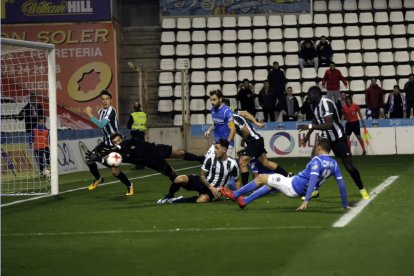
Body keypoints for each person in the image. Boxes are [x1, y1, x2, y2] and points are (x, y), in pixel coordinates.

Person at [220, 138, 349, 210]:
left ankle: (235, 194)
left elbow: (314, 179)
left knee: (260, 178)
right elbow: (342, 186)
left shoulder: (317, 160)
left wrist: (306, 201)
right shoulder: (334, 163)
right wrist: (344, 204)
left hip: (293, 186)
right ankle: (245, 201)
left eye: (316, 146)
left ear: (319, 148)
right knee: (270, 185)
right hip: (296, 184)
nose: (315, 148)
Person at [297, 86, 370, 199]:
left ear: (316, 95)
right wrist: (307, 136)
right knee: (314, 160)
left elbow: (329, 125)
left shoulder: (327, 103)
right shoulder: (314, 106)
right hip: (325, 138)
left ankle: (362, 189)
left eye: (310, 95)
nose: (308, 97)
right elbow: (316, 119)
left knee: (350, 167)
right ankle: (314, 190)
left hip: (338, 138)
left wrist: (309, 127)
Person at [86, 132, 205, 201]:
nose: (118, 143)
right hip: (153, 162)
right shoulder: (120, 156)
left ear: (122, 138)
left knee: (180, 152)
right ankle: (172, 194)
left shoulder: (129, 141)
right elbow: (112, 163)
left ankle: (201, 159)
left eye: (118, 140)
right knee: (173, 176)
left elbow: (122, 145)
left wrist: (110, 150)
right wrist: (99, 159)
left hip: (156, 149)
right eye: (115, 142)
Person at [84, 90, 134, 195]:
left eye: (107, 99)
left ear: (111, 100)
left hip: (115, 143)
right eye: (103, 99)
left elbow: (101, 125)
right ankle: (98, 178)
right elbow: (102, 126)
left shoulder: (111, 111)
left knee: (114, 171)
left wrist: (89, 114)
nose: (105, 101)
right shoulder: (101, 111)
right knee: (89, 159)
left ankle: (129, 185)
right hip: (105, 142)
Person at [227, 102, 290, 186]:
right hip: (257, 139)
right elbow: (245, 113)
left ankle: (245, 188)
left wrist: (242, 141)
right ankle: (288, 175)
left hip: (254, 140)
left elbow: (246, 132)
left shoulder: (233, 118)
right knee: (265, 163)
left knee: (242, 161)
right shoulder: (234, 114)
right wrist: (256, 123)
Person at [161, 139, 240, 204]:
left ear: (224, 150)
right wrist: (211, 188)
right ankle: (170, 195)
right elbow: (202, 176)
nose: (215, 150)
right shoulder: (210, 158)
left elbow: (237, 180)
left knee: (202, 200)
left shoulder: (232, 164)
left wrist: (237, 195)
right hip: (204, 182)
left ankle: (177, 200)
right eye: (214, 148)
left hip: (215, 190)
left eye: (217, 148)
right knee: (179, 179)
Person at [204, 90, 236, 158]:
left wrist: (227, 142)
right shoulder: (212, 109)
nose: (212, 102)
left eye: (214, 100)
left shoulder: (227, 112)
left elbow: (233, 129)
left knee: (222, 165)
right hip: (217, 142)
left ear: (220, 99)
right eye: (211, 100)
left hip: (226, 143)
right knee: (207, 159)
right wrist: (209, 130)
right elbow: (215, 124)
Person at [127, 102, 147, 169]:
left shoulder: (133, 115)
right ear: (140, 107)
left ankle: (139, 165)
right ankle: (143, 164)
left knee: (136, 149)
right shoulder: (144, 114)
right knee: (142, 148)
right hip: (142, 133)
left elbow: (129, 126)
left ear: (134, 108)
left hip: (135, 133)